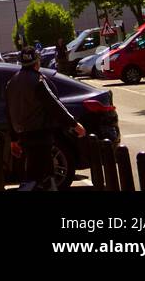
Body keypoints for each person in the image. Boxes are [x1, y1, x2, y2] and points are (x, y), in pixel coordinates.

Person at [5, 45, 86, 190]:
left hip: (23, 135)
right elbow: (54, 105)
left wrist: (13, 139)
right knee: (40, 176)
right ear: (37, 62)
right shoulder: (38, 81)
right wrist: (74, 124)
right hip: (40, 133)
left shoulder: (11, 83)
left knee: (36, 173)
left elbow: (9, 112)